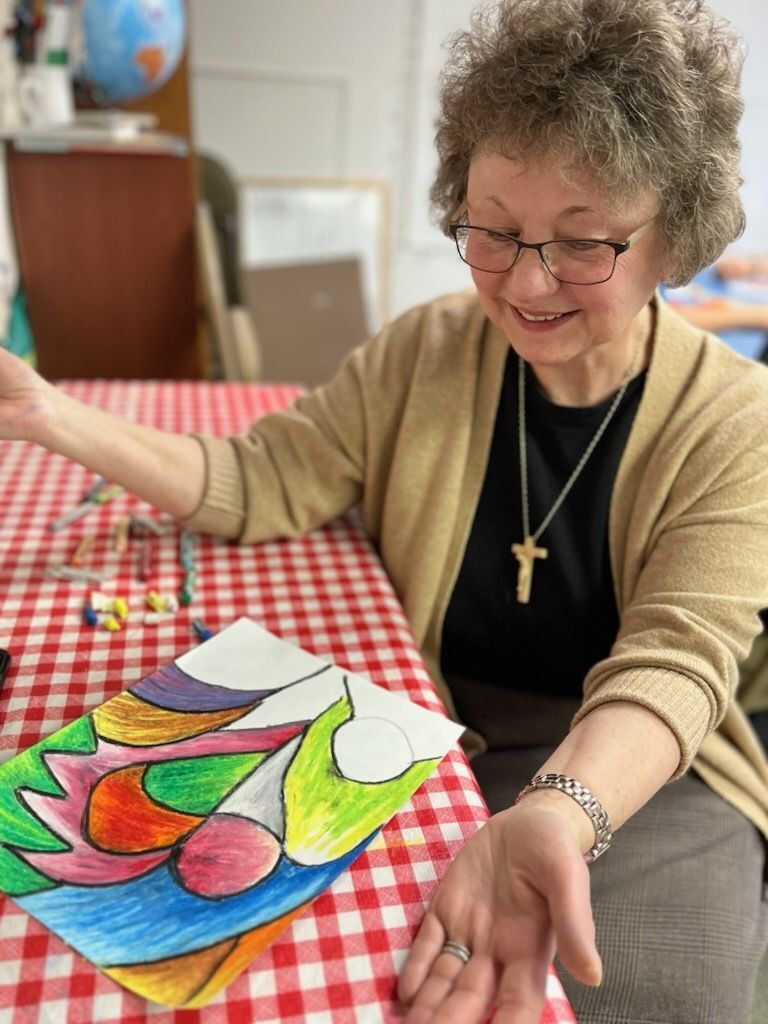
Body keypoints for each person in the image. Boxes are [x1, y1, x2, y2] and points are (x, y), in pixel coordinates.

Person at [0, 0, 767, 1021]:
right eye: (494, 231)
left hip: (646, 772)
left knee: (648, 993)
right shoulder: (428, 350)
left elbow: (681, 659)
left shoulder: (737, 420)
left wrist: (561, 806)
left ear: (676, 234)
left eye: (583, 245)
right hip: (430, 720)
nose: (527, 282)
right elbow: (264, 475)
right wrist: (51, 414)